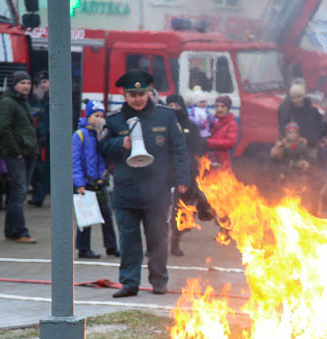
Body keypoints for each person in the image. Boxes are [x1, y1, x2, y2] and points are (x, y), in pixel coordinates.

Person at [97, 69, 189, 297]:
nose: (138, 98)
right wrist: (121, 143)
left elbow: (179, 150)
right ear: (125, 96)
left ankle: (159, 281)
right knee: (129, 241)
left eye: (142, 93)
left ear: (148, 93)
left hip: (157, 191)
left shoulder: (166, 116)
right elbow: (102, 149)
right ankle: (129, 283)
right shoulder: (115, 120)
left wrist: (182, 180)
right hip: (126, 191)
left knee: (158, 239)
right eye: (132, 94)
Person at [72, 100, 119, 259]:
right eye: (95, 115)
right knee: (86, 217)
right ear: (88, 116)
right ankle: (83, 248)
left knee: (107, 215)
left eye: (101, 116)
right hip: (85, 183)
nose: (98, 119)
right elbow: (75, 161)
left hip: (100, 181)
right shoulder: (80, 135)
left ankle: (111, 247)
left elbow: (107, 155)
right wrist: (79, 184)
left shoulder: (102, 134)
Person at [166, 93, 211, 257]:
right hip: (163, 174)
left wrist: (191, 171)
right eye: (169, 106)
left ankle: (175, 242)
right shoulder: (161, 125)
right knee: (156, 212)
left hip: (183, 174)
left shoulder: (190, 127)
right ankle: (153, 246)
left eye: (176, 106)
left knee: (179, 210)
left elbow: (197, 149)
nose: (173, 109)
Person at [0, 71, 39, 244]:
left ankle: (10, 231)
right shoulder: (7, 103)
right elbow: (5, 129)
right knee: (19, 193)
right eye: (23, 83)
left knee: (17, 193)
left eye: (28, 83)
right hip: (18, 155)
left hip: (28, 153)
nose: (26, 86)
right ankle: (21, 232)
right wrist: (16, 151)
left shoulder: (23, 102)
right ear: (14, 84)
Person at [277, 82, 325, 154]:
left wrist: (311, 140)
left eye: (299, 97)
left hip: (311, 146)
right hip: (294, 148)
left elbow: (319, 128)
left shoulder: (313, 111)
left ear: (304, 96)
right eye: (293, 98)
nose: (296, 100)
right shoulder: (287, 111)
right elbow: (282, 127)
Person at [28, 71, 50, 207]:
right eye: (41, 82)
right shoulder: (41, 99)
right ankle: (38, 196)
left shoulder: (53, 101)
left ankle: (39, 197)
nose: (43, 85)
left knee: (44, 169)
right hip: (40, 138)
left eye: (45, 82)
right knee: (40, 168)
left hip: (47, 139)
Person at [206, 95, 238, 169]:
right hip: (207, 160)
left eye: (223, 106)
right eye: (217, 106)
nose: (219, 109)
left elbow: (230, 143)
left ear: (228, 108)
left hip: (221, 162)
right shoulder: (210, 121)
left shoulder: (231, 124)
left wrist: (208, 142)